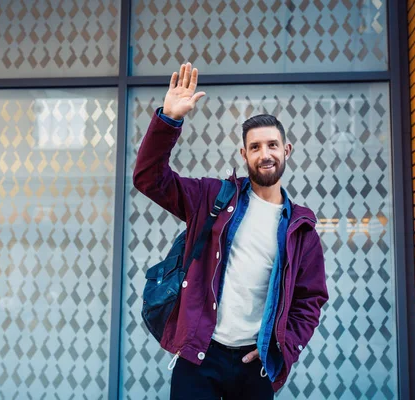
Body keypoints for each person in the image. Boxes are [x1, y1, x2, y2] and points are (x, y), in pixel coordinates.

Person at [133, 62, 329, 400]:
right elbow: (149, 179)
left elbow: (310, 298)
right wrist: (169, 119)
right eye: (255, 147)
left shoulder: (301, 229)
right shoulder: (212, 197)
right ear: (244, 154)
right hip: (199, 355)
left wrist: (285, 348)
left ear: (286, 151)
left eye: (272, 145)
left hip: (255, 362)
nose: (264, 154)